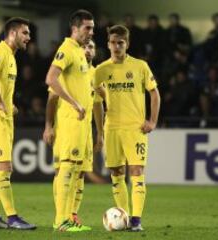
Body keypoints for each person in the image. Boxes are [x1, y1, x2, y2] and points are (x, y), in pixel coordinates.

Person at [94, 25, 161, 231]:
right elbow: (97, 102)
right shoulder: (101, 70)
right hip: (112, 128)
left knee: (136, 171)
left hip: (135, 129)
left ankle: (136, 221)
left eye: (120, 43)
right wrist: (99, 133)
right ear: (108, 44)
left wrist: (152, 121)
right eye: (113, 42)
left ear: (127, 44)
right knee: (116, 173)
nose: (116, 46)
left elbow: (155, 94)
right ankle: (124, 217)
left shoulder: (140, 66)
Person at [0, 17, 36, 230]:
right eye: (25, 33)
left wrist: (8, 104)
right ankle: (12, 217)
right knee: (5, 166)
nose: (28, 38)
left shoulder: (11, 57)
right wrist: (2, 103)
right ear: (13, 33)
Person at [43, 39, 103, 231]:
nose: (87, 49)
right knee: (64, 169)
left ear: (95, 52)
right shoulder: (68, 67)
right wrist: (48, 126)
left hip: (86, 130)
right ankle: (61, 219)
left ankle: (71, 216)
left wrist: (100, 132)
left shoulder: (95, 74)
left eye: (91, 47)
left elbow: (97, 104)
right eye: (85, 46)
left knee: (80, 172)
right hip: (67, 125)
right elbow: (52, 98)